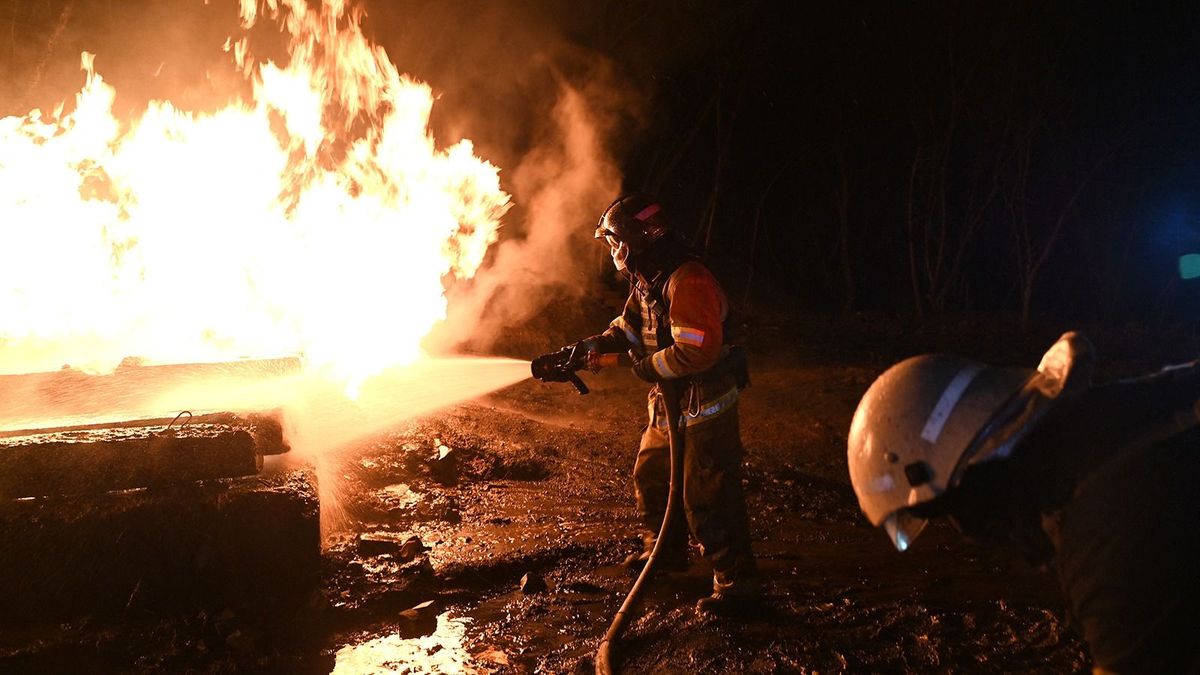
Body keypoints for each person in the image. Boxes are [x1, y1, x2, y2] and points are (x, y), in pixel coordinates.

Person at [847, 330, 1200, 674]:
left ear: (974, 482)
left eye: (954, 509)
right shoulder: (1107, 422)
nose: (970, 533)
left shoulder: (1104, 539)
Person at [537, 193, 758, 616]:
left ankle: (738, 585)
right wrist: (588, 348)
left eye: (614, 242)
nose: (613, 252)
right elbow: (631, 329)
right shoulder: (649, 278)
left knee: (707, 494)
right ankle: (664, 553)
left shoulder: (687, 280)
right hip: (669, 404)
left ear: (635, 240)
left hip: (704, 405)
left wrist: (636, 366)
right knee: (652, 475)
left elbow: (696, 353)